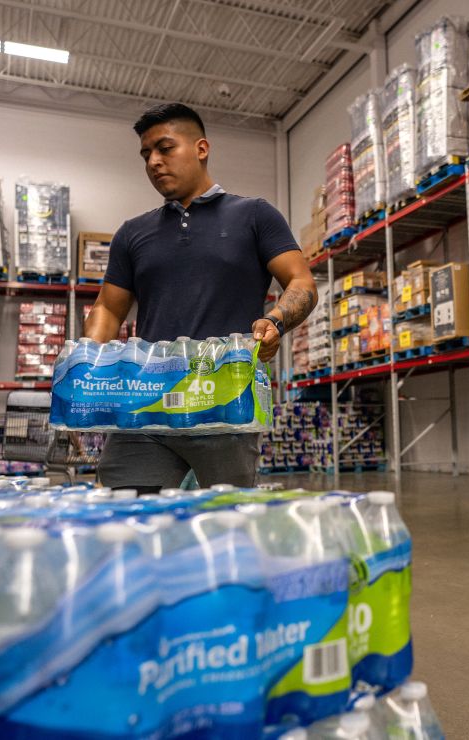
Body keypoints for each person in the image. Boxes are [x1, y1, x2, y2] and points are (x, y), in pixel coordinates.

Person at [84, 103, 317, 492]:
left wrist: (275, 322)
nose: (154, 162)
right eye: (146, 155)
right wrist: (87, 360)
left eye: (165, 148)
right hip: (147, 406)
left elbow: (302, 283)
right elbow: (108, 307)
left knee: (223, 527)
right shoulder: (132, 234)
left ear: (201, 148)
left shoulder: (254, 216)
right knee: (124, 515)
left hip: (225, 403)